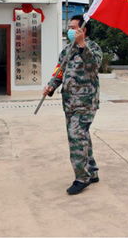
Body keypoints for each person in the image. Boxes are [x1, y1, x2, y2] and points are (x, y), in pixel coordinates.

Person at [43, 15, 102, 195]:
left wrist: (83, 45)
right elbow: (59, 71)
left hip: (85, 102)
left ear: (83, 30)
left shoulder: (92, 48)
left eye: (73, 27)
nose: (69, 31)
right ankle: (91, 171)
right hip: (69, 103)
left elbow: (94, 66)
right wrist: (51, 86)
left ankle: (81, 178)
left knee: (76, 136)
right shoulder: (67, 50)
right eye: (68, 27)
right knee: (82, 135)